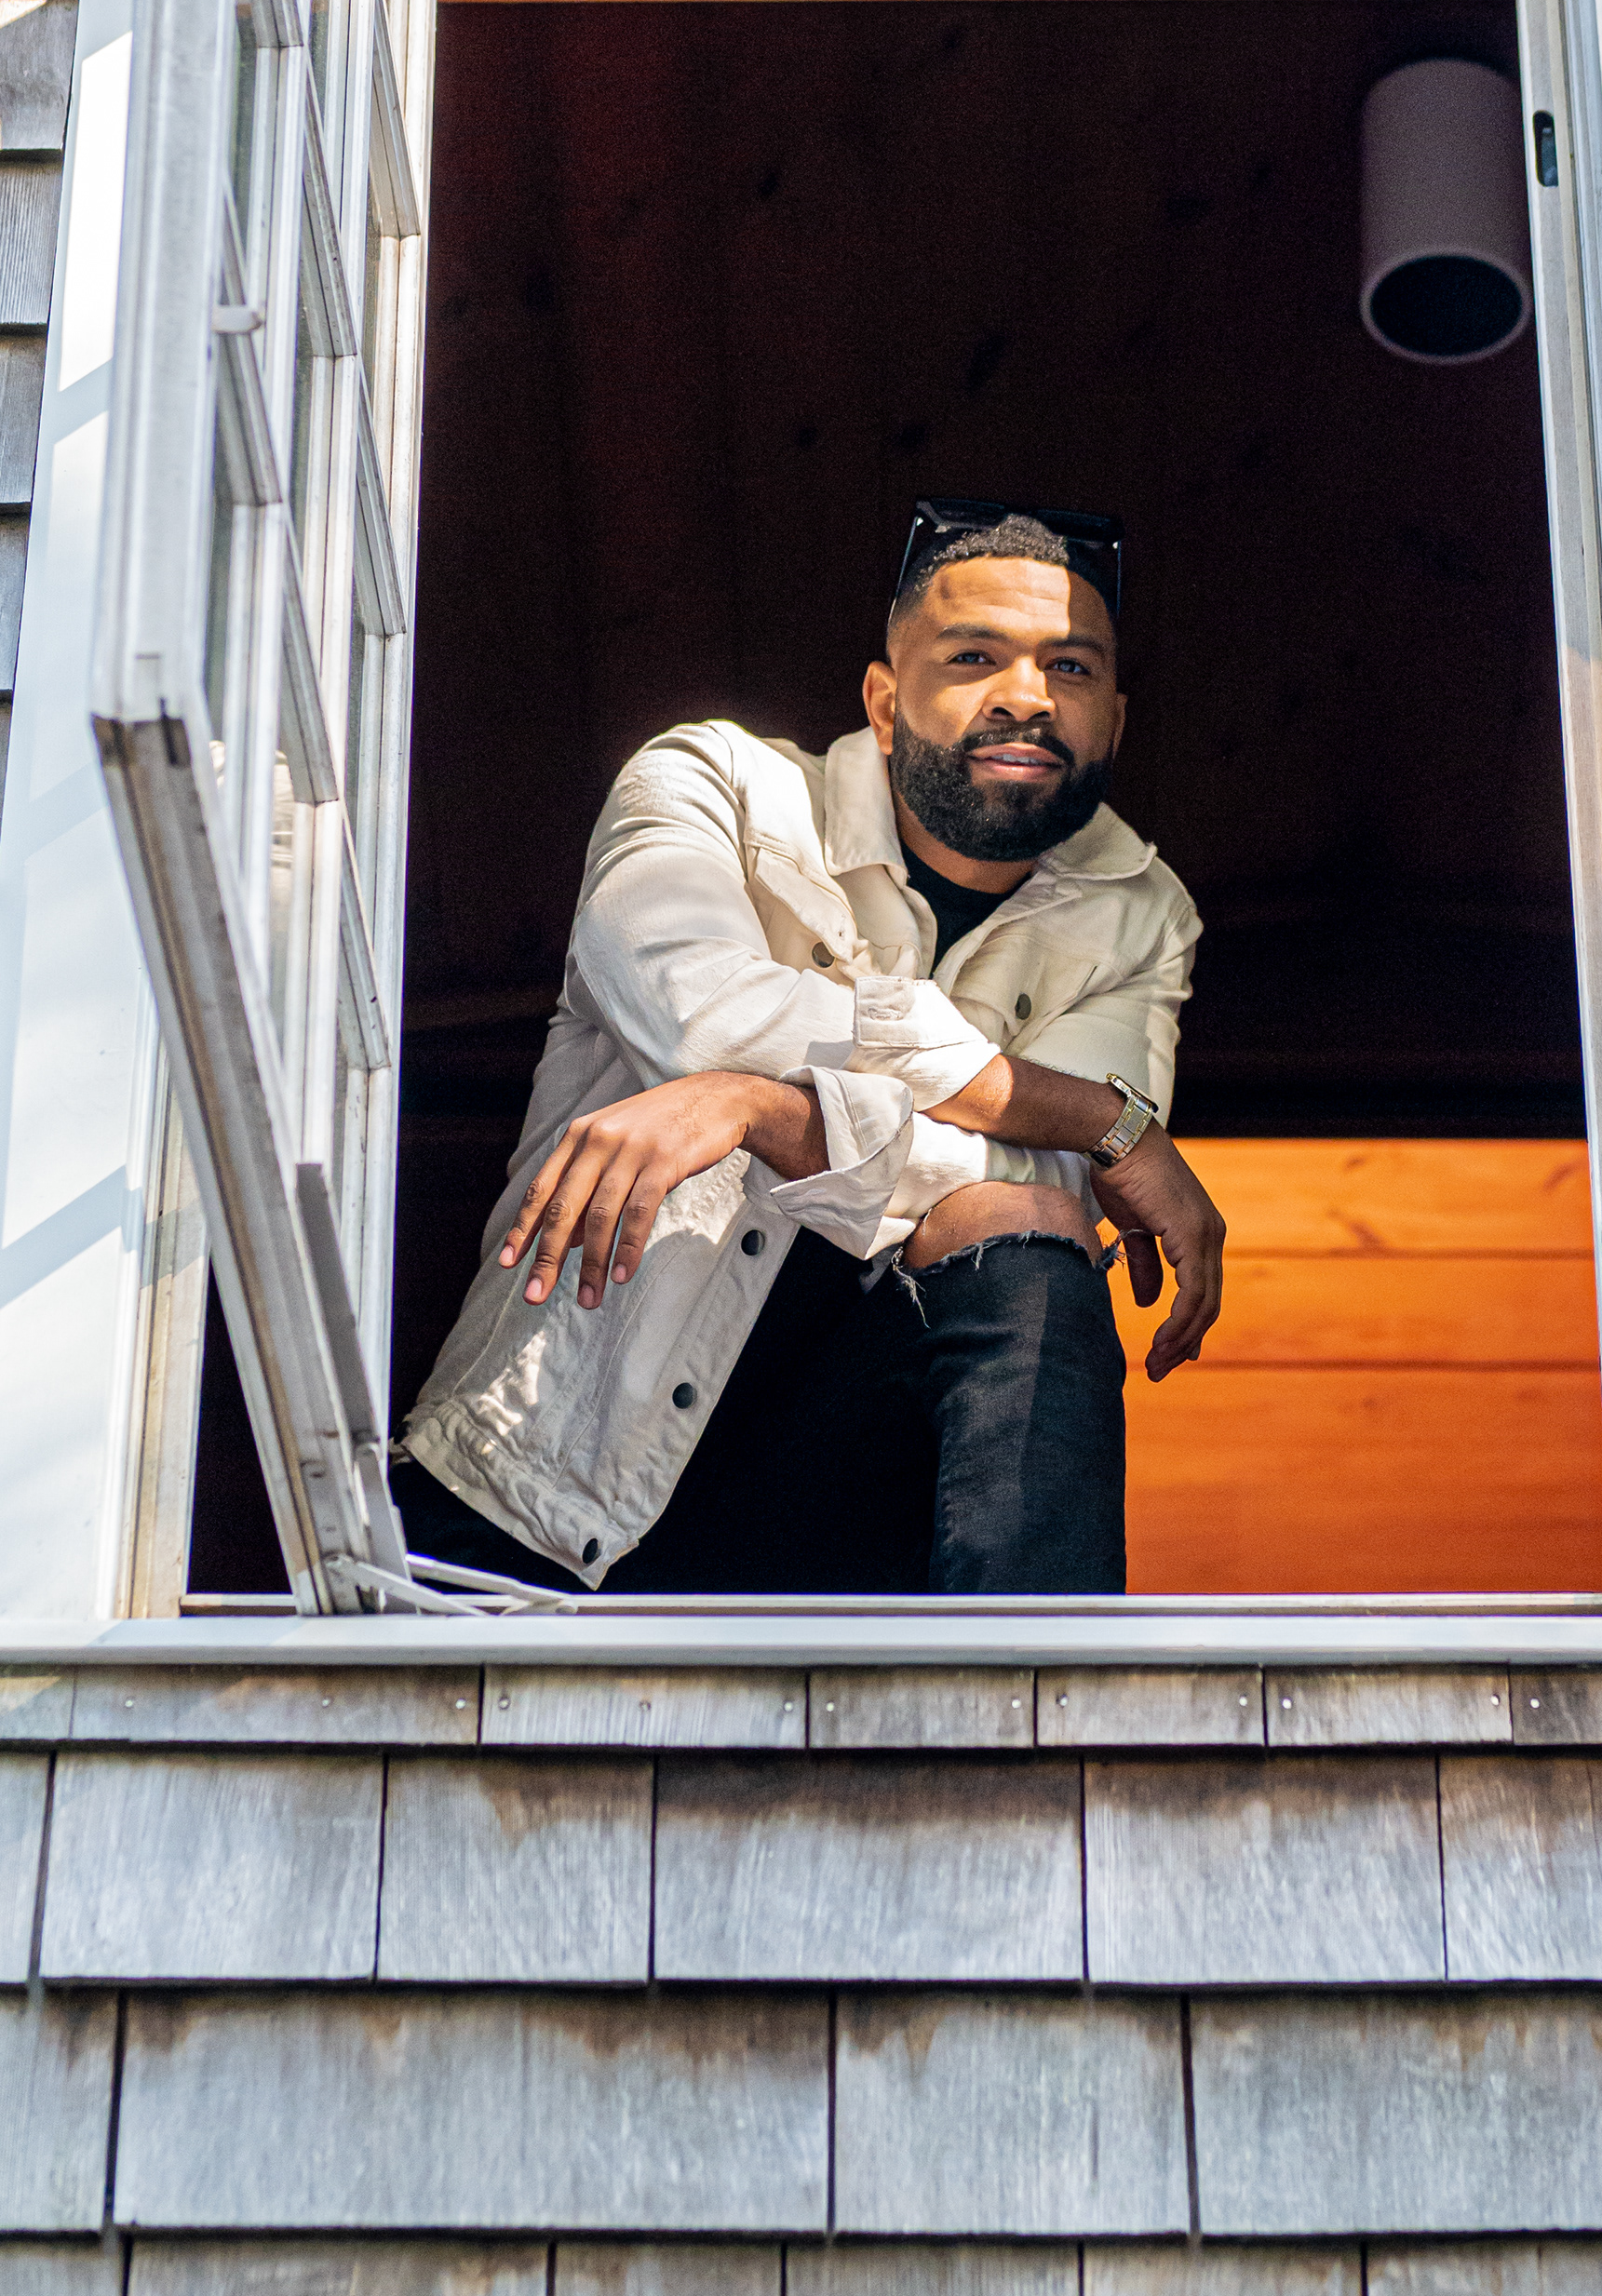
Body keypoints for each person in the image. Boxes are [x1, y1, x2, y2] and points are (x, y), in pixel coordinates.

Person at [396, 501, 1225, 1596]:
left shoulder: (1143, 915)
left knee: (1026, 1229)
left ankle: (1028, 1679)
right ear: (884, 701)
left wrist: (755, 1107)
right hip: (541, 1487)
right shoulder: (715, 783)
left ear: (1112, 720)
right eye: (974, 655)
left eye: (1069, 666)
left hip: (835, 1538)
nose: (1027, 695)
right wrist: (1090, 1115)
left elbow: (1036, 1189)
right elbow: (695, 1011)